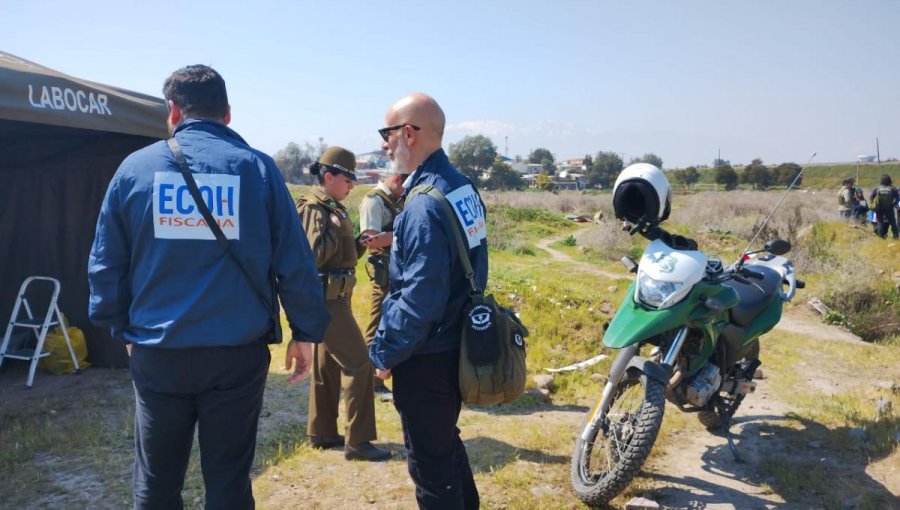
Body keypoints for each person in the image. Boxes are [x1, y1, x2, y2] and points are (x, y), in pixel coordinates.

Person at [87, 65, 329, 509]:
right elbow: (294, 262)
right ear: (229, 114)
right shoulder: (257, 170)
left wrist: (118, 327)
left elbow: (106, 262)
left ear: (173, 111)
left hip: (158, 351)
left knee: (156, 484)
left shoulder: (134, 169)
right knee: (229, 482)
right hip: (235, 355)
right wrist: (306, 332)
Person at [369, 93, 486, 509]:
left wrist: (385, 350)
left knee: (431, 470)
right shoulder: (461, 187)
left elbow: (419, 295)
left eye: (387, 134)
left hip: (428, 354)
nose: (385, 145)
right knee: (446, 448)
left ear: (409, 133)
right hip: (458, 343)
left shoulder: (421, 203)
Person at [296, 147, 391, 462]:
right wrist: (337, 230)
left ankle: (322, 432)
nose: (351, 185)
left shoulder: (330, 207)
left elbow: (336, 256)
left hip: (334, 297)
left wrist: (357, 245)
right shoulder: (315, 207)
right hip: (327, 301)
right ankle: (358, 441)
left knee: (328, 367)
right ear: (328, 176)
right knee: (359, 363)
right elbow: (310, 258)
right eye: (347, 179)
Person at [358, 170, 408, 402]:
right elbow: (370, 240)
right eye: (405, 185)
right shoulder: (373, 201)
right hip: (384, 272)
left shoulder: (395, 200)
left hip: (400, 270)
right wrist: (403, 233)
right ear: (397, 179)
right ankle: (371, 379)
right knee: (378, 323)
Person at [869, 174, 899, 239]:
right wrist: (893, 205)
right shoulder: (893, 189)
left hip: (879, 208)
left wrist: (873, 203)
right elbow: (897, 199)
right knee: (893, 223)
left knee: (880, 222)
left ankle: (881, 237)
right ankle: (895, 236)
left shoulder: (877, 189)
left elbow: (871, 197)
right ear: (889, 180)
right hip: (889, 208)